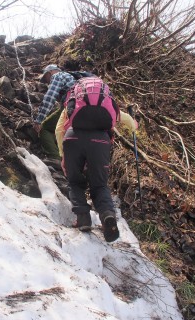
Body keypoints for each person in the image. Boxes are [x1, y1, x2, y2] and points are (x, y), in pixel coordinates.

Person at [55, 100, 138, 242]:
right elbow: (130, 122)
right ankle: (107, 215)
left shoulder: (75, 100)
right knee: (99, 185)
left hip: (72, 137)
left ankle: (83, 219)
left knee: (74, 181)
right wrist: (134, 126)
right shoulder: (106, 103)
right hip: (100, 141)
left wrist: (63, 155)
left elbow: (58, 130)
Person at [33, 65, 76, 166]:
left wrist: (38, 120)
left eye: (46, 78)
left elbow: (49, 98)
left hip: (72, 108)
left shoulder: (57, 76)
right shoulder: (72, 78)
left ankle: (55, 158)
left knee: (45, 128)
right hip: (86, 108)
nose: (47, 82)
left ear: (50, 72)